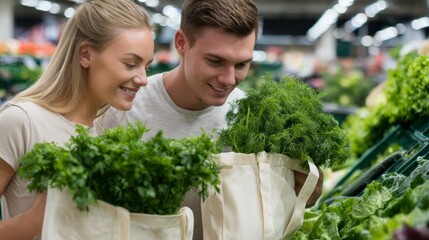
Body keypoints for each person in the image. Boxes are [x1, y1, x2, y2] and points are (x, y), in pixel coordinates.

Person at [96, 0, 323, 239]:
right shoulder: (123, 109)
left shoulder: (253, 118)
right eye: (215, 61)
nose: (228, 79)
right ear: (182, 43)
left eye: (242, 64)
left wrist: (302, 188)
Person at [0, 0, 154, 239]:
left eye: (146, 66)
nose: (143, 79)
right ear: (86, 55)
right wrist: (35, 221)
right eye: (130, 64)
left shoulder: (112, 128)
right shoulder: (22, 120)